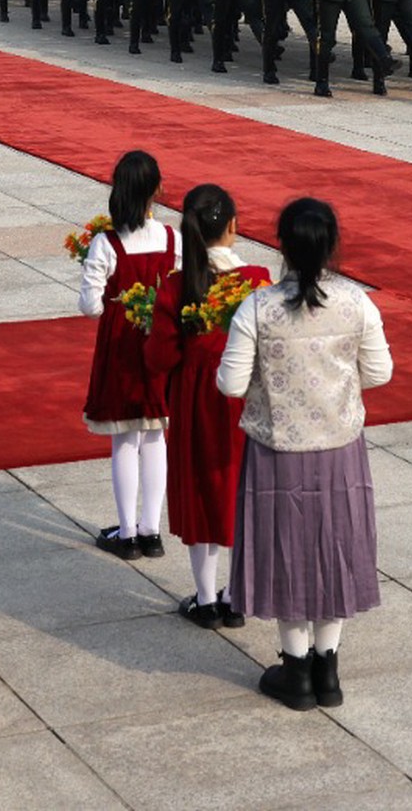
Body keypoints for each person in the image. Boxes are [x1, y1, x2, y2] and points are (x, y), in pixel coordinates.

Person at [219, 198, 391, 712]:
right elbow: (380, 372)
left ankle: (295, 671)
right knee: (335, 548)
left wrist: (268, 388)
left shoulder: (258, 306)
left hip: (279, 450)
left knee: (285, 551)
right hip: (339, 447)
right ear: (331, 244)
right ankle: (327, 666)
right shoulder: (356, 302)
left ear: (283, 245)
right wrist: (336, 389)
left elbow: (229, 383)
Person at [144, 184, 272, 630]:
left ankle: (205, 597)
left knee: (201, 491)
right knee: (241, 489)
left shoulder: (179, 288)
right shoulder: (256, 281)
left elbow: (159, 357)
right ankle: (237, 595)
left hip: (197, 401)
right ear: (234, 228)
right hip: (244, 403)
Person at [78, 150, 180, 558]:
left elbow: (90, 307)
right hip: (158, 343)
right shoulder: (172, 238)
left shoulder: (106, 242)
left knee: (125, 439)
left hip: (120, 345)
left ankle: (127, 533)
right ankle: (151, 530)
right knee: (155, 434)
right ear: (157, 188)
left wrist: (112, 300)